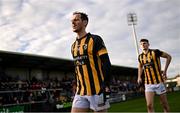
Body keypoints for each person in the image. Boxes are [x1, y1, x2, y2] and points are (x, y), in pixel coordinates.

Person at [70, 11, 111, 112]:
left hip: (97, 90)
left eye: (76, 20)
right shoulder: (73, 46)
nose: (73, 23)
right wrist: (75, 84)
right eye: (72, 21)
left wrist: (106, 84)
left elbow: (106, 63)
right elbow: (77, 68)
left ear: (85, 22)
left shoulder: (95, 39)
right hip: (81, 92)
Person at [137, 38, 172, 113]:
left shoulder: (155, 52)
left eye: (144, 43)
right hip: (148, 83)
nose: (143, 45)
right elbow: (140, 67)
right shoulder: (140, 57)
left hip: (159, 82)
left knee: (164, 105)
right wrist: (139, 76)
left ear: (148, 44)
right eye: (141, 44)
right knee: (149, 105)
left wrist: (165, 71)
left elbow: (169, 57)